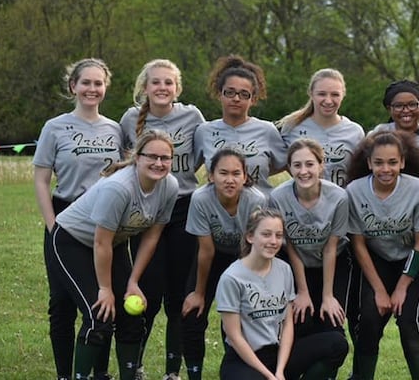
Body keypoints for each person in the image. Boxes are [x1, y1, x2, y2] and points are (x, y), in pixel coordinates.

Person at [47, 129, 179, 380]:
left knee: (131, 318)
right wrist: (105, 289)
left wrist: (132, 282)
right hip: (71, 242)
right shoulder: (119, 188)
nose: (159, 163)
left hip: (113, 245)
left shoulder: (169, 186)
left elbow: (151, 236)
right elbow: (100, 242)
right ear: (137, 157)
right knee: (99, 316)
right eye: (151, 156)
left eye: (165, 158)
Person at [34, 58, 122, 380]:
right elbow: (42, 179)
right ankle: (64, 374)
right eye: (86, 82)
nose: (92, 89)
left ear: (105, 88)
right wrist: (51, 224)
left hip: (104, 222)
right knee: (61, 303)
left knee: (103, 297)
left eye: (98, 83)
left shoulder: (115, 129)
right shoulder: (55, 127)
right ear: (73, 86)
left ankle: (99, 372)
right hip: (64, 220)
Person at [120, 59, 205, 380]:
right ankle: (136, 365)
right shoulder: (130, 119)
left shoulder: (192, 116)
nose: (162, 88)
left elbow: (203, 155)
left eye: (168, 83)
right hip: (147, 208)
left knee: (179, 297)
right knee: (148, 293)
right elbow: (124, 162)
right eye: (156, 82)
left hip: (184, 207)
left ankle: (172, 372)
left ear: (177, 88)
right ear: (145, 87)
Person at [371, 80, 419, 379]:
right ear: (389, 109)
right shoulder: (377, 135)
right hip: (386, 232)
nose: (406, 111)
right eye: (399, 105)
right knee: (374, 313)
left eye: (412, 104)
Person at [216, 208, 349, 380]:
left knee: (337, 344)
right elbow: (234, 337)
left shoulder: (284, 269)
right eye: (266, 234)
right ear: (250, 237)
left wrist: (280, 370)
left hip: (278, 353)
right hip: (246, 359)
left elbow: (287, 325)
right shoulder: (231, 278)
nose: (273, 241)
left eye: (278, 236)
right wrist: (269, 376)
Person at [345, 131, 419, 380]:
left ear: (403, 162)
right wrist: (380, 290)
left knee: (407, 320)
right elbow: (359, 244)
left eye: (393, 162)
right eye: (379, 162)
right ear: (369, 163)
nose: (386, 168)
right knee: (370, 320)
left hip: (411, 258)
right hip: (376, 260)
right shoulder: (355, 191)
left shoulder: (417, 188)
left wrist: (402, 287)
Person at [181, 148, 267, 379]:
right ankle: (194, 373)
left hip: (243, 259)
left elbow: (253, 249)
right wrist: (199, 293)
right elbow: (206, 251)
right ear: (211, 176)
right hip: (213, 256)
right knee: (192, 314)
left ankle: (234, 371)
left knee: (235, 318)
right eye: (223, 173)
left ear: (245, 176)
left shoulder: (256, 201)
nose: (230, 179)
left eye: (236, 173)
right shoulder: (200, 198)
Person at [269, 139, 352, 339]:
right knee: (301, 320)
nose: (303, 171)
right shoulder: (278, 197)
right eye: (297, 165)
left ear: (321, 165)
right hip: (297, 262)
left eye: (310, 164)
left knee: (331, 321)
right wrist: (303, 292)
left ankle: (326, 370)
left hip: (333, 262)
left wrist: (328, 296)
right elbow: (291, 246)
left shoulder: (339, 197)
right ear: (289, 168)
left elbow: (331, 248)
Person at [194, 54, 287, 195]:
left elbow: (287, 164)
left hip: (261, 211)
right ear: (220, 94)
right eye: (230, 92)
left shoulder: (267, 130)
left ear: (253, 99)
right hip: (218, 211)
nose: (236, 98)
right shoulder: (204, 131)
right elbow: (188, 169)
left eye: (244, 94)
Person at [277, 68, 365, 187]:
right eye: (322, 94)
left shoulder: (355, 132)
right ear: (311, 93)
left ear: (343, 95)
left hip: (341, 202)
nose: (328, 101)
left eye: (335, 95)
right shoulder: (291, 127)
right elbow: (274, 163)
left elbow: (361, 173)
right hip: (302, 202)